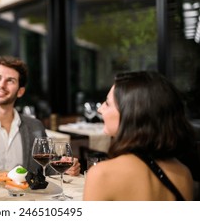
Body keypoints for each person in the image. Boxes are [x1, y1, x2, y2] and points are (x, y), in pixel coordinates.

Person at [0, 56, 80, 199]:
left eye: (10, 80)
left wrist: (66, 169)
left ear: (20, 91)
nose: (2, 85)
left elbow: (46, 169)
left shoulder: (35, 126)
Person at [83, 71, 198, 201]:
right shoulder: (183, 174)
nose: (100, 109)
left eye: (108, 103)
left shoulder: (102, 174)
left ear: (132, 114)